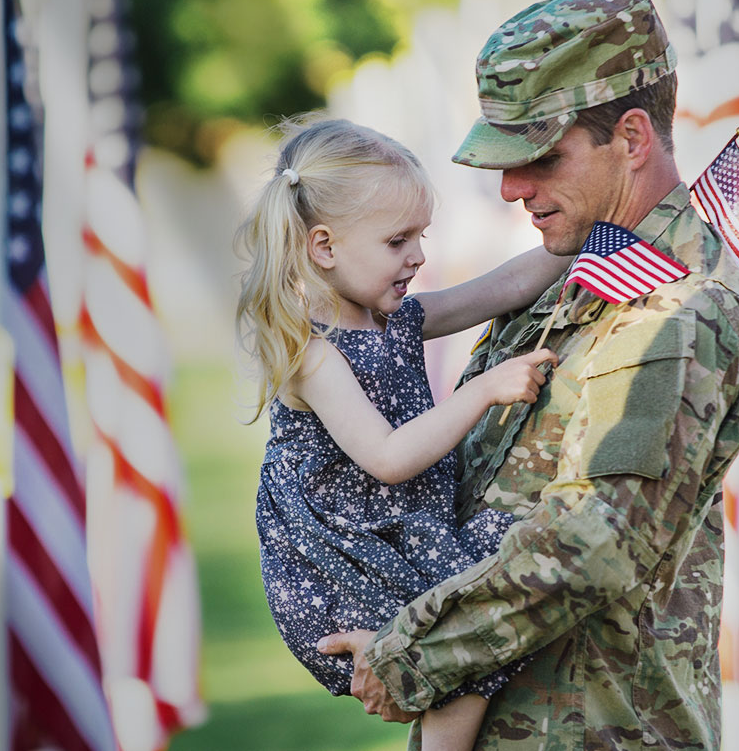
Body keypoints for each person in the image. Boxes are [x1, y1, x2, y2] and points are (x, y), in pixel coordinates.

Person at [316, 0, 739, 749]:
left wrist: (408, 657)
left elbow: (590, 545)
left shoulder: (675, 313)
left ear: (632, 138)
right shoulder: (580, 270)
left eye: (540, 157)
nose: (511, 188)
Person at [236, 117, 570, 750]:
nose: (418, 255)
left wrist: (597, 239)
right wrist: (484, 388)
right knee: (465, 646)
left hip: (406, 538)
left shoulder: (396, 319)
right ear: (324, 247)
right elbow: (387, 458)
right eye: (397, 241)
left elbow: (503, 287)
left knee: (481, 627)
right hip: (348, 561)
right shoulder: (313, 355)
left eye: (421, 236)